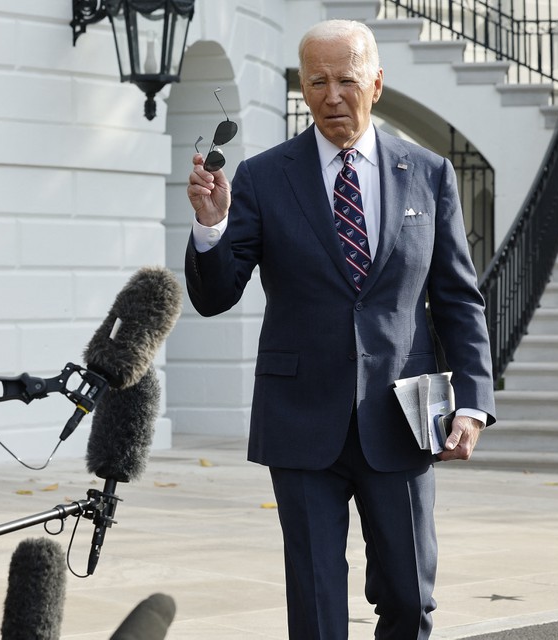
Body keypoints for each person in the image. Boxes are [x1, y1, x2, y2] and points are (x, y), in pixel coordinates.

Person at [184, 20, 497, 639]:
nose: (331, 96)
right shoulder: (263, 177)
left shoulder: (429, 174)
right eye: (317, 81)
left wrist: (475, 403)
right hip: (300, 421)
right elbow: (216, 295)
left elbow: (458, 300)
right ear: (303, 87)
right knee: (319, 610)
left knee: (410, 601)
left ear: (376, 83)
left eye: (346, 80)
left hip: (403, 419)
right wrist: (212, 227)